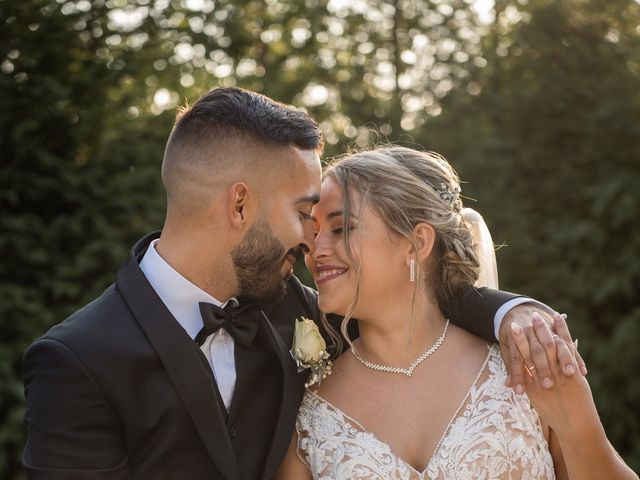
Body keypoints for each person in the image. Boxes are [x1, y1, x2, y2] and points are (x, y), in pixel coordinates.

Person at [22, 88, 580, 480]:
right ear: (239, 204)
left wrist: (512, 313)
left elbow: (412, 301)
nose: (312, 241)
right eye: (304, 214)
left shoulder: (296, 305)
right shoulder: (78, 362)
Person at [276, 146, 637, 479]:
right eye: (316, 231)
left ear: (417, 243)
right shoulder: (308, 412)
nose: (314, 248)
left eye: (341, 228)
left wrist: (578, 424)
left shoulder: (523, 364)